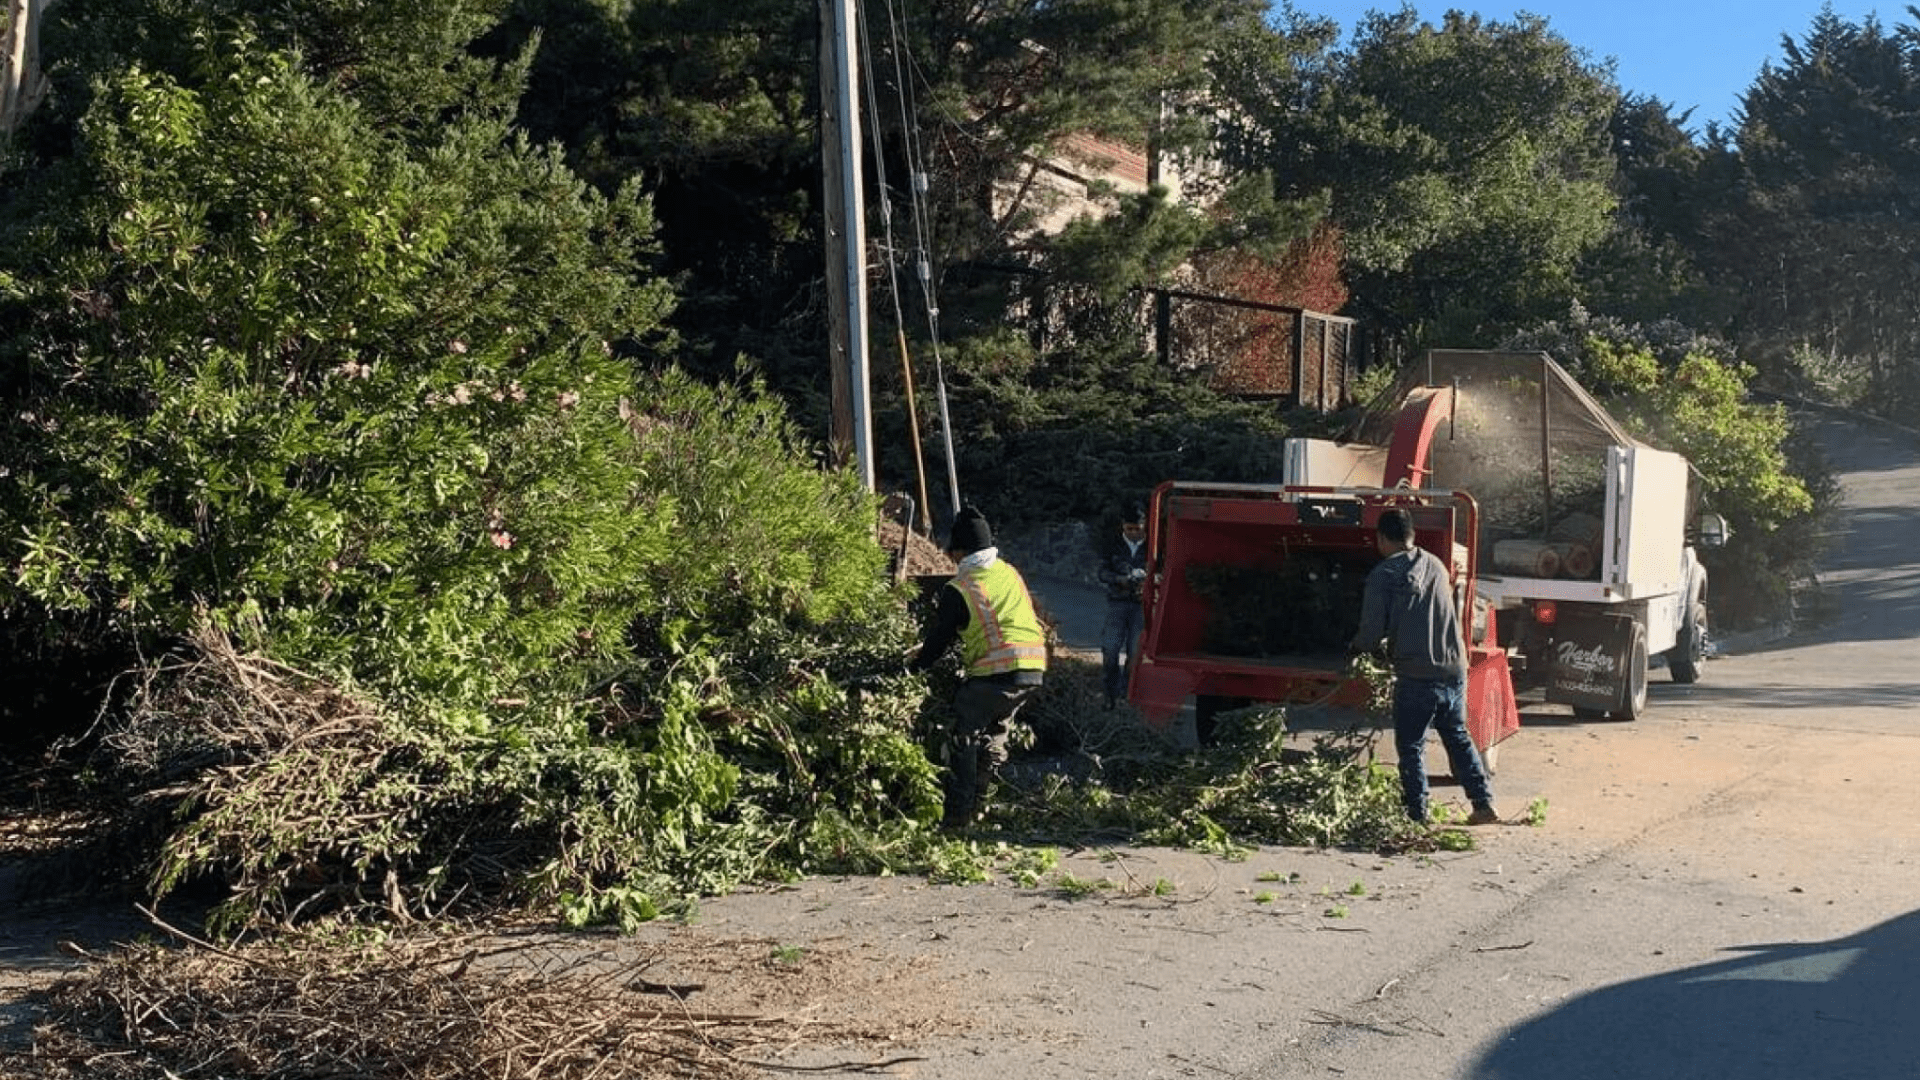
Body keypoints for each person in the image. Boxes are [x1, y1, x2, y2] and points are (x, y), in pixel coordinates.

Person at [1350, 508, 1500, 826]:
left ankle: (1417, 815)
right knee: (1457, 734)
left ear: (1380, 539)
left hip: (1417, 673)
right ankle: (1483, 803)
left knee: (1411, 745)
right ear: (1412, 536)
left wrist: (1355, 650)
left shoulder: (1384, 575)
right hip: (1453, 667)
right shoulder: (1435, 564)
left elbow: (1371, 630)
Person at [910, 505, 1048, 827]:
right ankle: (983, 803)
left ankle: (959, 815)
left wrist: (914, 669)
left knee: (964, 735)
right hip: (1033, 668)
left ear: (959, 551)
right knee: (997, 729)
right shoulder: (1009, 572)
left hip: (996, 671)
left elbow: (938, 641)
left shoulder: (960, 588)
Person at [1095, 502, 1149, 710]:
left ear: (1144, 526)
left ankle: (1126, 695)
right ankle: (1109, 695)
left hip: (1141, 605)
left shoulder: (1153, 547)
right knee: (1110, 649)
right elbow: (1102, 572)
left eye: (1137, 529)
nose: (1134, 533)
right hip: (1117, 602)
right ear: (1123, 527)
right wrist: (1120, 579)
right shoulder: (1112, 544)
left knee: (1135, 653)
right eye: (1129, 529)